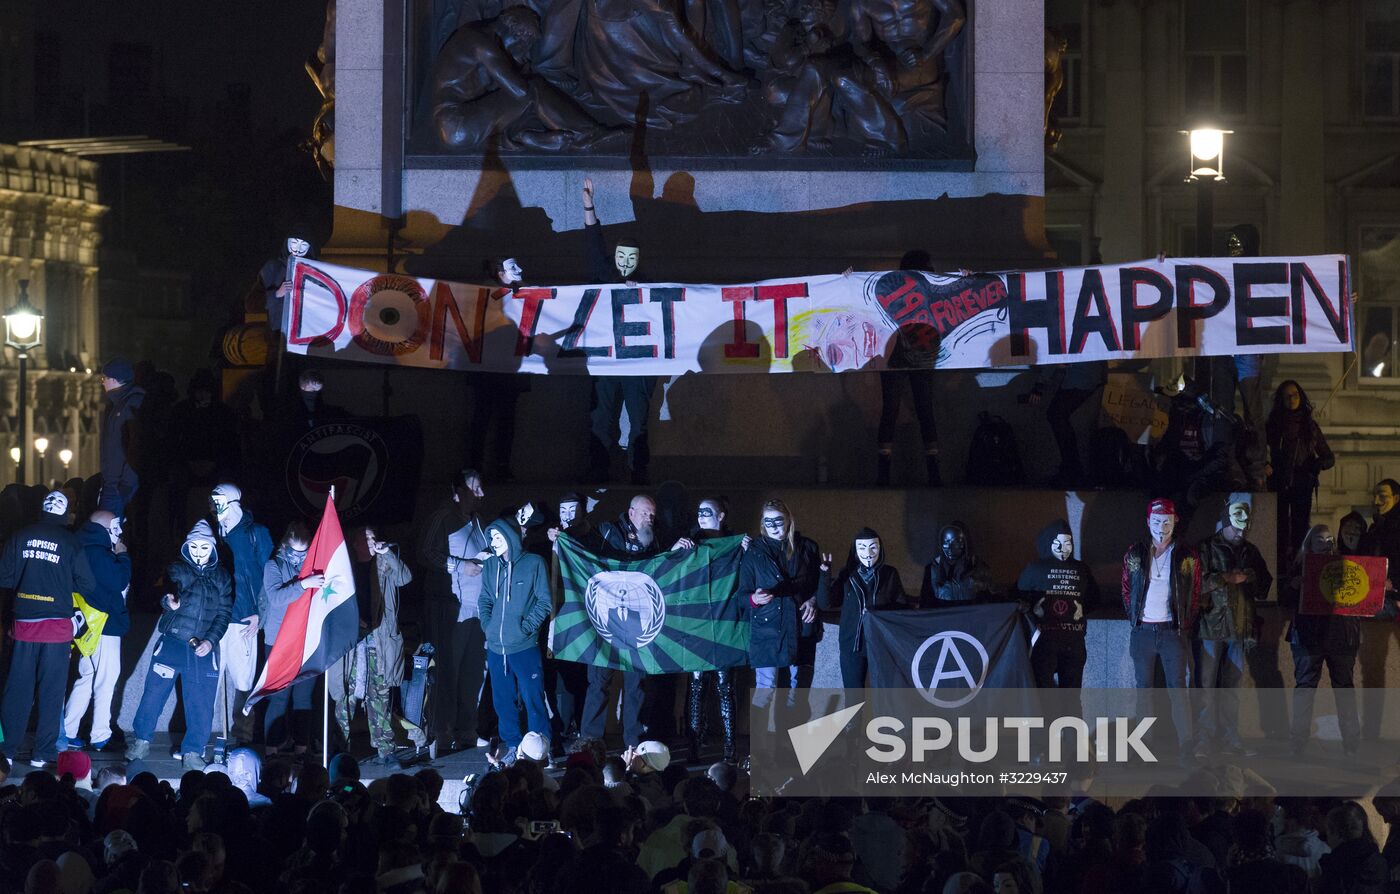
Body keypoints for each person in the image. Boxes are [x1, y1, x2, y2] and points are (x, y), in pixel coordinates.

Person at [0, 491, 97, 769]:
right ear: (65, 514)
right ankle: (42, 753)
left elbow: (5, 576)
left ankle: (6, 750)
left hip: (24, 625)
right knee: (51, 693)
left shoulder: (20, 535)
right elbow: (87, 584)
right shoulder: (71, 542)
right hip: (56, 628)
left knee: (17, 690)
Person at [127, 520, 234, 769]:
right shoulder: (177, 569)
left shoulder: (222, 577)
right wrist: (168, 601)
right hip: (172, 644)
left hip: (203, 650)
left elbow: (224, 613)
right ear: (187, 547)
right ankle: (141, 741)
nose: (198, 552)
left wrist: (210, 641)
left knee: (201, 702)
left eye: (204, 547)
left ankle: (193, 752)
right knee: (153, 695)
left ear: (213, 549)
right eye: (194, 546)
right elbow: (167, 588)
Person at [579, 494, 670, 747]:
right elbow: (581, 553)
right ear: (631, 512)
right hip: (606, 621)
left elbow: (664, 571)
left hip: (637, 624)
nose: (649, 518)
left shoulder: (656, 537)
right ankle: (590, 742)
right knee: (598, 683)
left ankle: (634, 742)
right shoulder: (608, 531)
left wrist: (674, 553)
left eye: (652, 514)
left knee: (637, 686)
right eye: (644, 513)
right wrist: (560, 540)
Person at [583, 177, 656, 485]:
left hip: (637, 363)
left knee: (639, 421)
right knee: (601, 419)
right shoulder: (604, 274)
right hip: (605, 360)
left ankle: (638, 473)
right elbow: (593, 243)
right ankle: (598, 470)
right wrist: (588, 206)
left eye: (631, 258)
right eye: (621, 257)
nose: (625, 263)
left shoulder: (653, 285)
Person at [417, 469, 491, 754]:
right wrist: (460, 566)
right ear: (457, 490)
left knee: (473, 672)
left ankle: (467, 729)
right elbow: (425, 552)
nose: (481, 495)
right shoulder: (442, 518)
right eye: (475, 488)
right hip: (450, 608)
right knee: (448, 671)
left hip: (477, 609)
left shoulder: (478, 522)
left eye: (482, 488)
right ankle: (442, 730)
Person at [1121, 498, 1199, 762]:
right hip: (1143, 632)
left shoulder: (1186, 555)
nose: (1161, 527)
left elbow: (1194, 591)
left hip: (1171, 632)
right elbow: (1126, 587)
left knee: (1178, 690)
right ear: (1148, 523)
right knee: (1144, 690)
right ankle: (1143, 745)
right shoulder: (1136, 552)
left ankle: (1186, 746)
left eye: (1167, 521)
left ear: (1175, 521)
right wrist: (1135, 617)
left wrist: (1183, 622)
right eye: (1156, 522)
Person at [1194, 493, 1272, 758]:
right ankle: (1204, 739)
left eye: (1244, 526)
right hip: (1211, 627)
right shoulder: (1206, 548)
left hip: (1239, 627)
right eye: (1236, 525)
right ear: (1225, 521)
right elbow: (1194, 583)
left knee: (1232, 688)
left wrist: (1251, 577)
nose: (1240, 531)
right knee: (1206, 686)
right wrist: (1226, 578)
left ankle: (1230, 738)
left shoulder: (1250, 551)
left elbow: (1265, 585)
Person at [333, 527, 412, 763]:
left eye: (372, 536)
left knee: (380, 695)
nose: (371, 540)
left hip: (378, 639)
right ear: (355, 542)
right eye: (365, 537)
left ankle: (386, 751)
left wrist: (387, 553)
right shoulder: (343, 567)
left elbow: (405, 578)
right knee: (345, 695)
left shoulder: (383, 564)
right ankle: (339, 751)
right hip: (350, 642)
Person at [479, 519, 553, 763]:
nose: (493, 543)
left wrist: (525, 629)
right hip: (497, 648)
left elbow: (545, 601)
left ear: (511, 537)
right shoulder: (491, 566)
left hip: (524, 646)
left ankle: (540, 747)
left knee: (533, 698)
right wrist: (488, 627)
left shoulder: (534, 563)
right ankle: (512, 746)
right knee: (503, 701)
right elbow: (485, 599)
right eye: (491, 539)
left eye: (498, 538)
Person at [680, 498, 748, 762]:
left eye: (707, 512)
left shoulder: (735, 543)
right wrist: (677, 549)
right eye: (699, 512)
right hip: (696, 626)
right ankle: (694, 744)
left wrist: (747, 550)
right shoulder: (690, 542)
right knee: (696, 687)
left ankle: (729, 746)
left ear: (721, 515)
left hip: (723, 624)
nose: (701, 517)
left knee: (724, 686)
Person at [741, 499, 828, 701]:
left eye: (778, 521)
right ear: (763, 523)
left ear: (788, 520)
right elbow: (742, 596)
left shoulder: (807, 548)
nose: (774, 527)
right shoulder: (755, 552)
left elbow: (820, 586)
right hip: (767, 627)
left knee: (798, 691)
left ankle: (789, 732)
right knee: (766, 689)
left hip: (801, 625)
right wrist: (754, 598)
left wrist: (813, 601)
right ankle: (763, 734)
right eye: (768, 522)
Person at [60, 510, 132, 753]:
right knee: (106, 678)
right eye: (116, 526)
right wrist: (123, 557)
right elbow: (118, 581)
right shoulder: (98, 552)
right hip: (105, 624)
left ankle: (69, 731)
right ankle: (101, 735)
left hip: (86, 624)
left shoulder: (80, 547)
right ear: (105, 528)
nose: (120, 531)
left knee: (87, 677)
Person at [1285, 524, 1360, 756]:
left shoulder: (1345, 566)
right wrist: (1293, 585)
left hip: (1341, 635)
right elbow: (1285, 600)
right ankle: (1298, 744)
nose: (1326, 544)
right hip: (1308, 637)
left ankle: (1351, 745)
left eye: (1329, 540)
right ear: (1310, 543)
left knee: (1344, 689)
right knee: (1305, 689)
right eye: (1320, 539)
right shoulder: (1299, 567)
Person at [209, 483, 273, 748]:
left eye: (219, 501)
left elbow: (269, 576)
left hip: (244, 617)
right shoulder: (213, 534)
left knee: (244, 680)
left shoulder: (256, 533)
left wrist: (260, 613)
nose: (214, 507)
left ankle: (242, 738)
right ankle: (206, 735)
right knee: (211, 676)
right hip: (216, 617)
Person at [876, 252, 942, 487]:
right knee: (900, 409)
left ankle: (887, 472)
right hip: (902, 354)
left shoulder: (927, 288)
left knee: (919, 408)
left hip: (915, 354)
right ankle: (929, 471)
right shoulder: (903, 288)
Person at [819, 528, 905, 688]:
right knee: (854, 698)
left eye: (873, 547)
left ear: (880, 548)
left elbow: (902, 607)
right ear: (855, 550)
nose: (868, 553)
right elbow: (826, 603)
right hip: (852, 645)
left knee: (885, 694)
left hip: (882, 644)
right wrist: (824, 575)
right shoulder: (847, 574)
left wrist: (878, 613)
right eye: (862, 548)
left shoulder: (889, 574)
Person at [1016, 520, 1096, 689]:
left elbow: (1093, 599)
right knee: (1064, 694)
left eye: (1067, 543)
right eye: (1057, 543)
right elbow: (1017, 599)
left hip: (1062, 641)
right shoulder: (1079, 569)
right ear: (1049, 542)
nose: (1062, 548)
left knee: (1053, 694)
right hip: (1055, 640)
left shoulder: (1080, 569)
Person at [261, 521, 319, 754]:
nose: (299, 558)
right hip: (279, 642)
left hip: (306, 640)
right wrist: (303, 584)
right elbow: (275, 597)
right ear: (285, 546)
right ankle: (272, 749)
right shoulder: (273, 565)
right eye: (294, 552)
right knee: (278, 698)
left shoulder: (314, 566)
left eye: (304, 553)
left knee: (303, 698)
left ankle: (301, 749)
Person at [1266, 380, 1334, 566]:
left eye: (1295, 394)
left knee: (1300, 528)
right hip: (1279, 482)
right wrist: (1264, 464)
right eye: (1287, 396)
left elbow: (1329, 457)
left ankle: (1298, 567)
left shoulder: (1309, 427)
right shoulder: (1273, 424)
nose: (1291, 399)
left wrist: (1315, 465)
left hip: (1302, 484)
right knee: (1279, 527)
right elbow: (1256, 449)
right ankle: (1279, 567)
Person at [546, 492, 592, 747]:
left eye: (573, 510)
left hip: (582, 620)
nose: (567, 516)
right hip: (555, 618)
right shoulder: (552, 538)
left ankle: (579, 727)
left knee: (579, 679)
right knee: (551, 676)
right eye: (563, 510)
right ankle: (554, 729)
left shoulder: (592, 538)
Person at [1023, 363, 1107, 485]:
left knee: (1056, 416)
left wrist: (1040, 385)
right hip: (1088, 376)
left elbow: (1054, 359)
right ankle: (1072, 467)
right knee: (1057, 416)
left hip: (1080, 379)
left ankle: (1072, 468)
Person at [98, 358, 146, 517]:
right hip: (114, 481)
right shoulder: (116, 404)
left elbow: (136, 443)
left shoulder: (132, 402)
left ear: (114, 379)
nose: (102, 383)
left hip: (120, 484)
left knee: (108, 527)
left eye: (104, 379)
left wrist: (126, 481)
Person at [920, 522, 995, 606]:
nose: (950, 548)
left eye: (956, 542)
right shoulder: (932, 570)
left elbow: (989, 603)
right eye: (946, 542)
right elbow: (925, 606)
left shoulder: (978, 567)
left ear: (964, 543)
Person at [1362, 478, 1400, 606]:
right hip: (1376, 594)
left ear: (1396, 498)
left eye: (1383, 496)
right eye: (1375, 496)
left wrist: (1394, 582)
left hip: (1393, 598)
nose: (1376, 501)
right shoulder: (1376, 528)